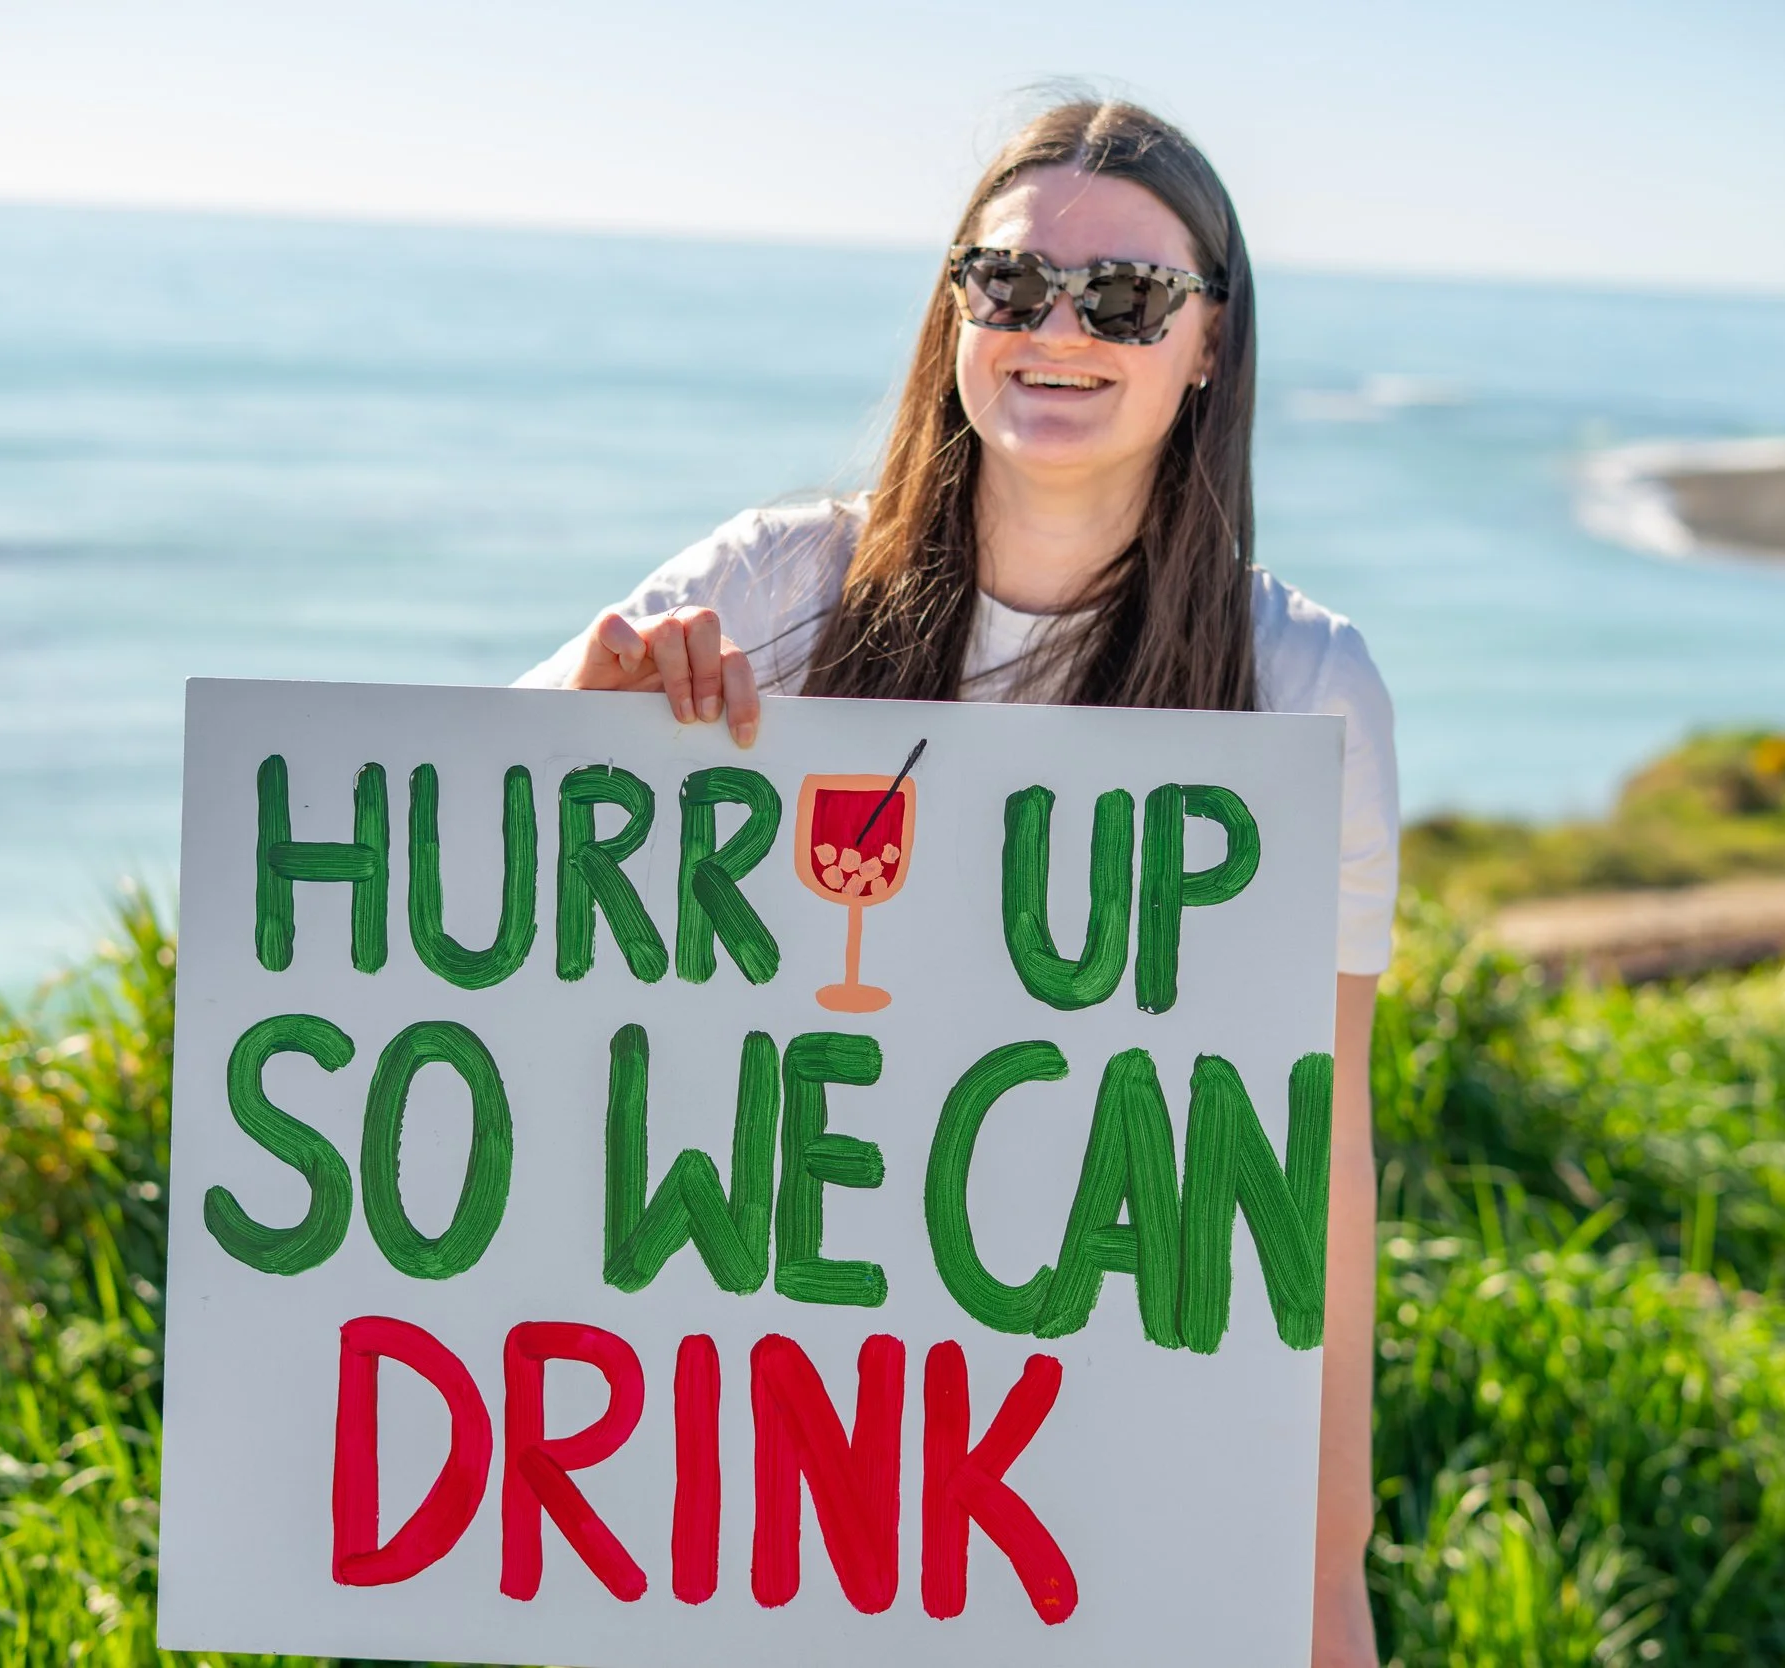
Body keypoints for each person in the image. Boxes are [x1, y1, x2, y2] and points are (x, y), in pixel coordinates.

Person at [520, 97, 1396, 1665]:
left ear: (1209, 346)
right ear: (955, 314)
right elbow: (433, 873)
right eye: (1008, 285)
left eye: (1124, 297)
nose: (1058, 326)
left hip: (1092, 1445)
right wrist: (585, 717)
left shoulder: (1303, 680)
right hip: (764, 1436)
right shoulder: (769, 588)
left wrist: (1328, 1571)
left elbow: (1312, 1152)